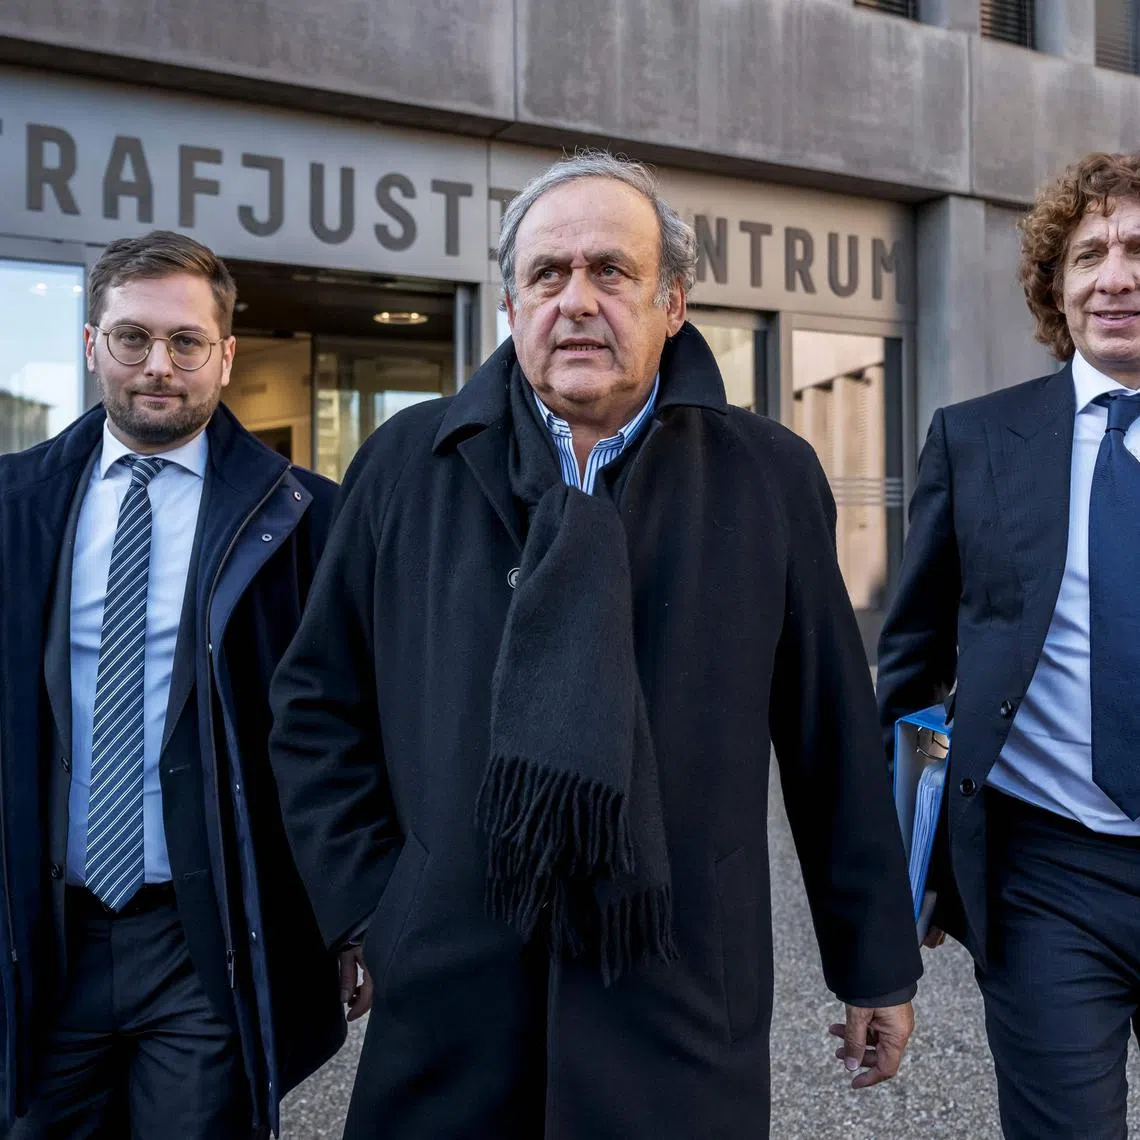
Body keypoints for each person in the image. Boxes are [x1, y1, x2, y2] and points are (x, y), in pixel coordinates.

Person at [269, 152, 921, 1140]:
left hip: (678, 988)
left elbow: (830, 734)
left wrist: (872, 961)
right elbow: (318, 704)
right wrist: (375, 908)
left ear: (673, 304)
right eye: (548, 274)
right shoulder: (407, 463)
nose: (576, 300)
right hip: (450, 997)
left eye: (611, 271)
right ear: (510, 305)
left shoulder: (767, 476)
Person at [0, 231, 347, 1138]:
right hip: (45, 938)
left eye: (187, 341)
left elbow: (347, 730)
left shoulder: (305, 518)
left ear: (226, 356)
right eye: (133, 337)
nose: (159, 365)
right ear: (92, 345)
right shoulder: (13, 506)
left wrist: (354, 917)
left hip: (208, 940)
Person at [878, 152, 1140, 1139]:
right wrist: (899, 886)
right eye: (1089, 254)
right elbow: (911, 668)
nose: (1115, 277)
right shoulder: (976, 441)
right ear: (1055, 287)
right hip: (1045, 874)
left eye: (1139, 251)